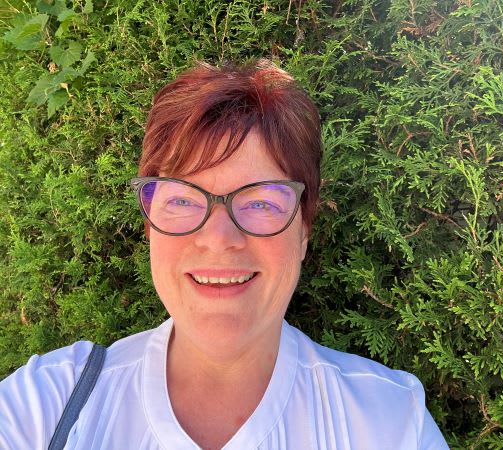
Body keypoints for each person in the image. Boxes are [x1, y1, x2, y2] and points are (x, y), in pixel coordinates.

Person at [0, 60, 449, 449]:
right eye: (181, 198)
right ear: (149, 222)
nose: (218, 238)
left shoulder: (390, 422)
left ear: (304, 230)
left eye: (260, 202)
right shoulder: (44, 407)